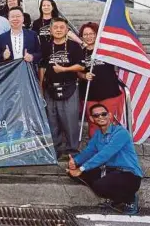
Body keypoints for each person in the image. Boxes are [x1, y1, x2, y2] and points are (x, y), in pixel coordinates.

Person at [68, 103, 143, 215]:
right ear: (92, 119)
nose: (100, 117)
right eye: (96, 115)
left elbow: (105, 154)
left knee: (99, 185)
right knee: (73, 173)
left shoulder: (121, 133)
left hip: (129, 175)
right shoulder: (98, 134)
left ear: (110, 115)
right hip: (110, 172)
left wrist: (82, 168)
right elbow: (89, 151)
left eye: (103, 114)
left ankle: (130, 198)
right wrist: (75, 162)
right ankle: (117, 197)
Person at [39, 17, 84, 158]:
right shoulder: (45, 46)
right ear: (50, 30)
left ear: (67, 30)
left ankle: (72, 150)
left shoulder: (74, 46)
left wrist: (64, 70)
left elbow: (82, 66)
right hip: (50, 88)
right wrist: (41, 87)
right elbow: (42, 67)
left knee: (70, 120)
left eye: (61, 27)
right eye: (55, 27)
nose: (58, 30)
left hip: (70, 87)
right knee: (52, 120)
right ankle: (56, 149)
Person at [78, 22, 124, 137]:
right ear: (82, 36)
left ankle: (109, 150)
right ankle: (96, 150)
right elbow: (76, 70)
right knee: (93, 123)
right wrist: (84, 76)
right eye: (85, 34)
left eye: (92, 34)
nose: (89, 36)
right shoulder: (79, 52)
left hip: (109, 93)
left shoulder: (106, 50)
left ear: (97, 34)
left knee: (107, 123)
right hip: (89, 95)